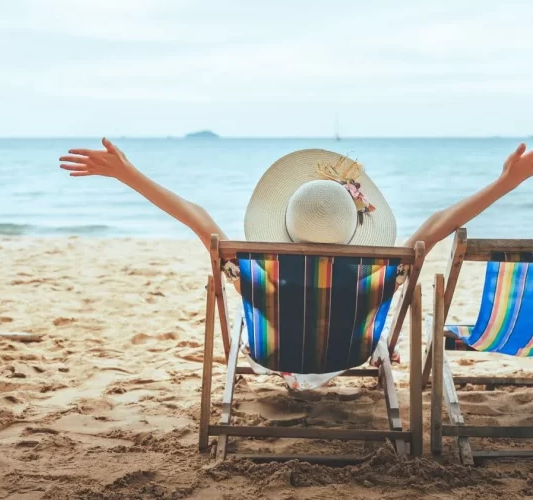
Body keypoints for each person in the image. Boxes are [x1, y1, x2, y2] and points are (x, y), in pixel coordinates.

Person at [59, 139, 533, 388]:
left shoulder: (253, 270)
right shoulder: (385, 272)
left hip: (274, 354)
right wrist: (505, 184)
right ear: (356, 224)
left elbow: (196, 218)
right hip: (350, 351)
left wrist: (127, 174)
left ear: (284, 222)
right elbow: (439, 223)